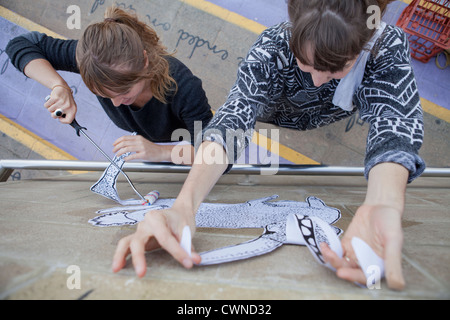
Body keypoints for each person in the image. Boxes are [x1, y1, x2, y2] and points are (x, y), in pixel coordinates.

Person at [112, 0, 425, 290]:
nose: (317, 80)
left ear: (364, 44)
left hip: (323, 117)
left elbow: (395, 122)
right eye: (306, 63)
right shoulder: (272, 47)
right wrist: (184, 205)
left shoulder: (387, 46)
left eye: (334, 69)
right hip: (277, 111)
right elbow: (234, 118)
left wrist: (382, 203)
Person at [6, 6, 213, 164]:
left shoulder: (183, 87)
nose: (115, 104)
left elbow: (219, 150)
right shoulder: (93, 60)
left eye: (124, 92)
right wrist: (59, 86)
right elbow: (21, 45)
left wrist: (161, 152)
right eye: (104, 94)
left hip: (186, 155)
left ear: (144, 62)